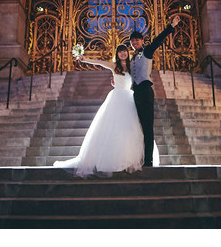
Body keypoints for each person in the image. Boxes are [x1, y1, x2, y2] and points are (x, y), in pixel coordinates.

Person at [53, 44, 157, 177]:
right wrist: (84, 59)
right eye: (120, 52)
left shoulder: (132, 66)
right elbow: (100, 62)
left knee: (131, 129)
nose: (123, 54)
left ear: (127, 53)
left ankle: (130, 158)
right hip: (117, 98)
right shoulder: (114, 66)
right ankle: (113, 158)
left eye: (124, 51)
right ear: (117, 54)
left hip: (130, 99)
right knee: (113, 129)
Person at [130, 14, 181, 167]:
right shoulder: (132, 58)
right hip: (136, 93)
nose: (134, 42)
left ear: (142, 41)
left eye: (137, 40)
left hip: (146, 91)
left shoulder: (147, 51)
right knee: (138, 127)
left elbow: (159, 40)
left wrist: (171, 27)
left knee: (147, 127)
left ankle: (148, 161)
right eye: (132, 41)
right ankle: (139, 157)